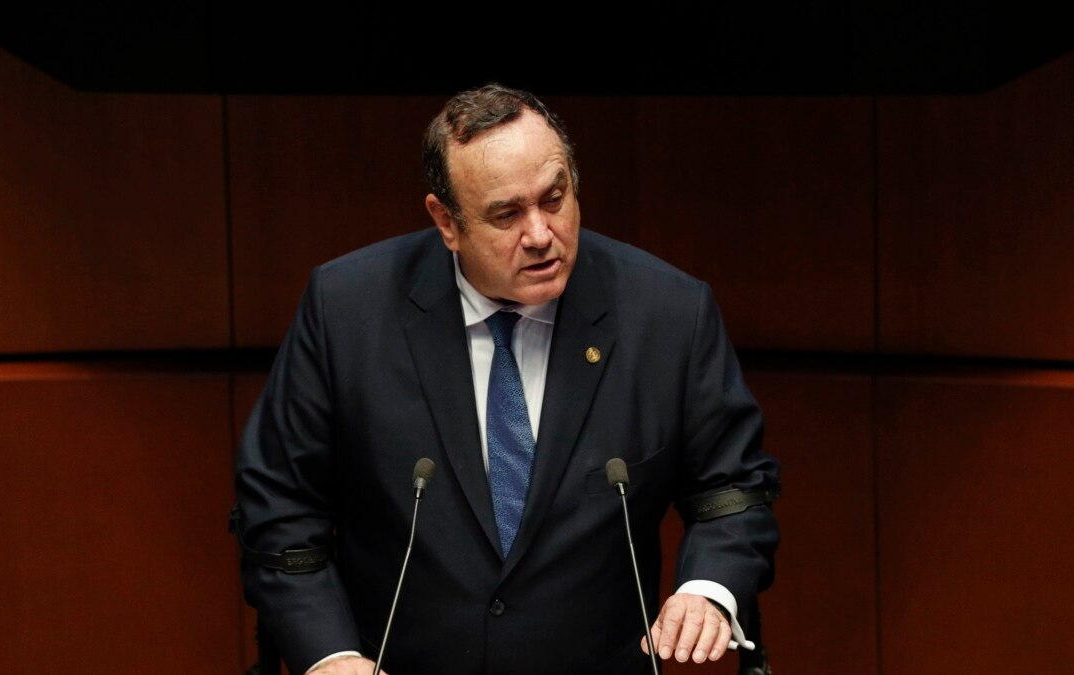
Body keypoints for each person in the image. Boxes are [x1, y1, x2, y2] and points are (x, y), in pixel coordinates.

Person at [235, 84, 780, 675]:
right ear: (446, 221)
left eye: (555, 198)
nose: (541, 234)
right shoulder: (347, 310)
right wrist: (330, 655)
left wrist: (707, 588)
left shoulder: (667, 313)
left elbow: (733, 488)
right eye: (506, 215)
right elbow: (280, 506)